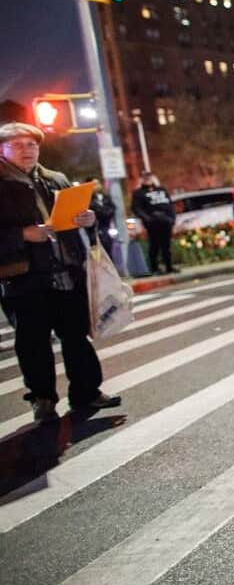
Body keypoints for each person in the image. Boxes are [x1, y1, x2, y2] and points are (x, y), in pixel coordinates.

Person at [0, 123, 122, 423]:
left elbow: (81, 213)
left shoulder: (56, 179)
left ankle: (86, 392)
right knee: (34, 343)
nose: (27, 150)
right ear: (2, 150)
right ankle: (42, 399)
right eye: (17, 146)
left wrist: (89, 218)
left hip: (65, 271)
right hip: (23, 277)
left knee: (76, 336)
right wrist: (23, 235)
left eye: (31, 145)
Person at [131, 171, 176, 275]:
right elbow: (136, 208)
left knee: (166, 245)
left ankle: (169, 267)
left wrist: (172, 219)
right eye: (145, 177)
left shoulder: (161, 190)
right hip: (152, 223)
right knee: (154, 245)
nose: (148, 179)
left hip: (166, 221)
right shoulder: (138, 193)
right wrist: (147, 219)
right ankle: (155, 268)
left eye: (149, 177)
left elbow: (170, 205)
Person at [87, 178, 117, 260]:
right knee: (97, 251)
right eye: (93, 184)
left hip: (106, 226)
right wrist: (101, 211)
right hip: (94, 229)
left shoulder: (105, 197)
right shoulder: (87, 199)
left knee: (109, 248)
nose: (96, 186)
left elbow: (113, 208)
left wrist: (107, 213)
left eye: (97, 183)